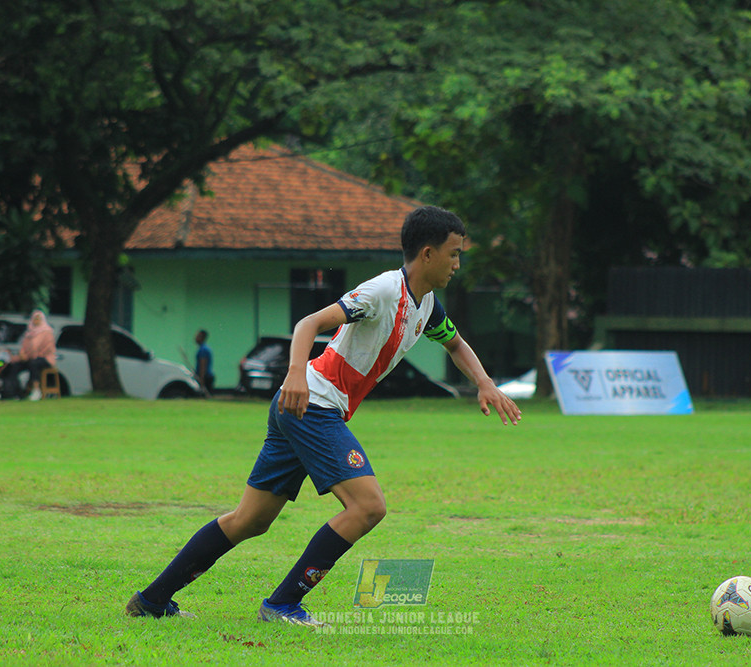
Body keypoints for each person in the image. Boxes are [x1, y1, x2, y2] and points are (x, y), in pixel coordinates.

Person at [125, 205, 522, 625]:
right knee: (368, 507)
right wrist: (296, 372)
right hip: (311, 404)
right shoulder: (383, 291)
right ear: (427, 254)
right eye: (454, 253)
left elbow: (456, 344)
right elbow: (308, 323)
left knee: (250, 520)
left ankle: (150, 601)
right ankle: (281, 605)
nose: (458, 264)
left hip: (298, 406)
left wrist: (484, 382)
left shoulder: (426, 306)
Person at [1, 310, 56, 401]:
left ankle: (36, 390)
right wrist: (22, 354)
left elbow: (48, 349)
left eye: (38, 319)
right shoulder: (29, 333)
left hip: (44, 359)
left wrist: (32, 355)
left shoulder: (47, 332)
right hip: (29, 358)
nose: (36, 321)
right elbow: (24, 347)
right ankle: (13, 392)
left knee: (34, 364)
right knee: (14, 366)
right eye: (35, 319)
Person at [194, 329, 214, 394]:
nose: (195, 338)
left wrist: (201, 379)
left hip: (205, 377)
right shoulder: (204, 348)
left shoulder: (203, 349)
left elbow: (203, 365)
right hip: (206, 376)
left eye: (197, 336)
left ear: (202, 337)